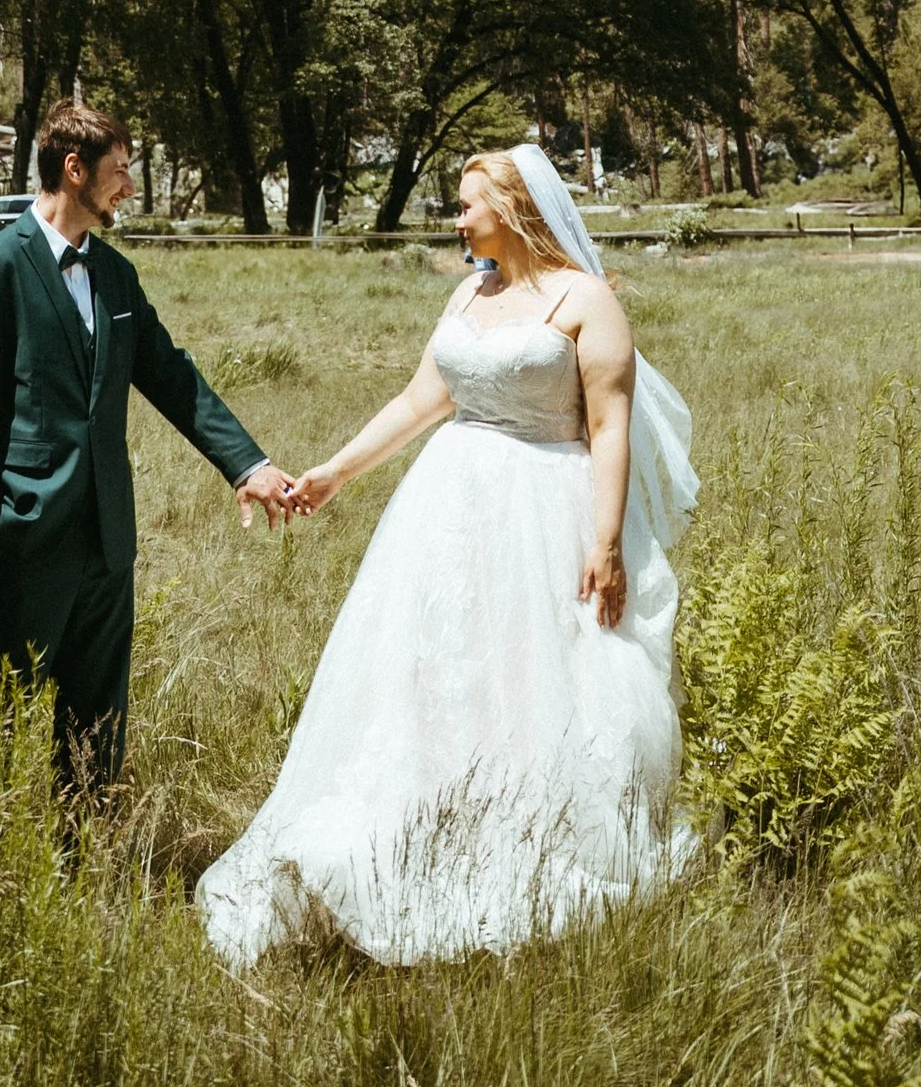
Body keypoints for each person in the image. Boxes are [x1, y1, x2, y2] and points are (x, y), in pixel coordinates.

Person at [196, 144, 697, 966]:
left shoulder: (587, 300)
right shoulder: (472, 292)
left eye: (468, 206)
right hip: (447, 509)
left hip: (546, 508)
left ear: (514, 207)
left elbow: (609, 427)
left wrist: (606, 543)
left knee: (538, 675)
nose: (457, 220)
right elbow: (419, 401)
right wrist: (333, 475)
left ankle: (534, 837)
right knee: (435, 666)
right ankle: (423, 819)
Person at [0, 98, 295, 791]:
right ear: (74, 170)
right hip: (21, 540)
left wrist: (246, 464)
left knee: (94, 732)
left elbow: (170, 375)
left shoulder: (115, 275)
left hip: (107, 543)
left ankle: (81, 866)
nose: (129, 187)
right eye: (120, 171)